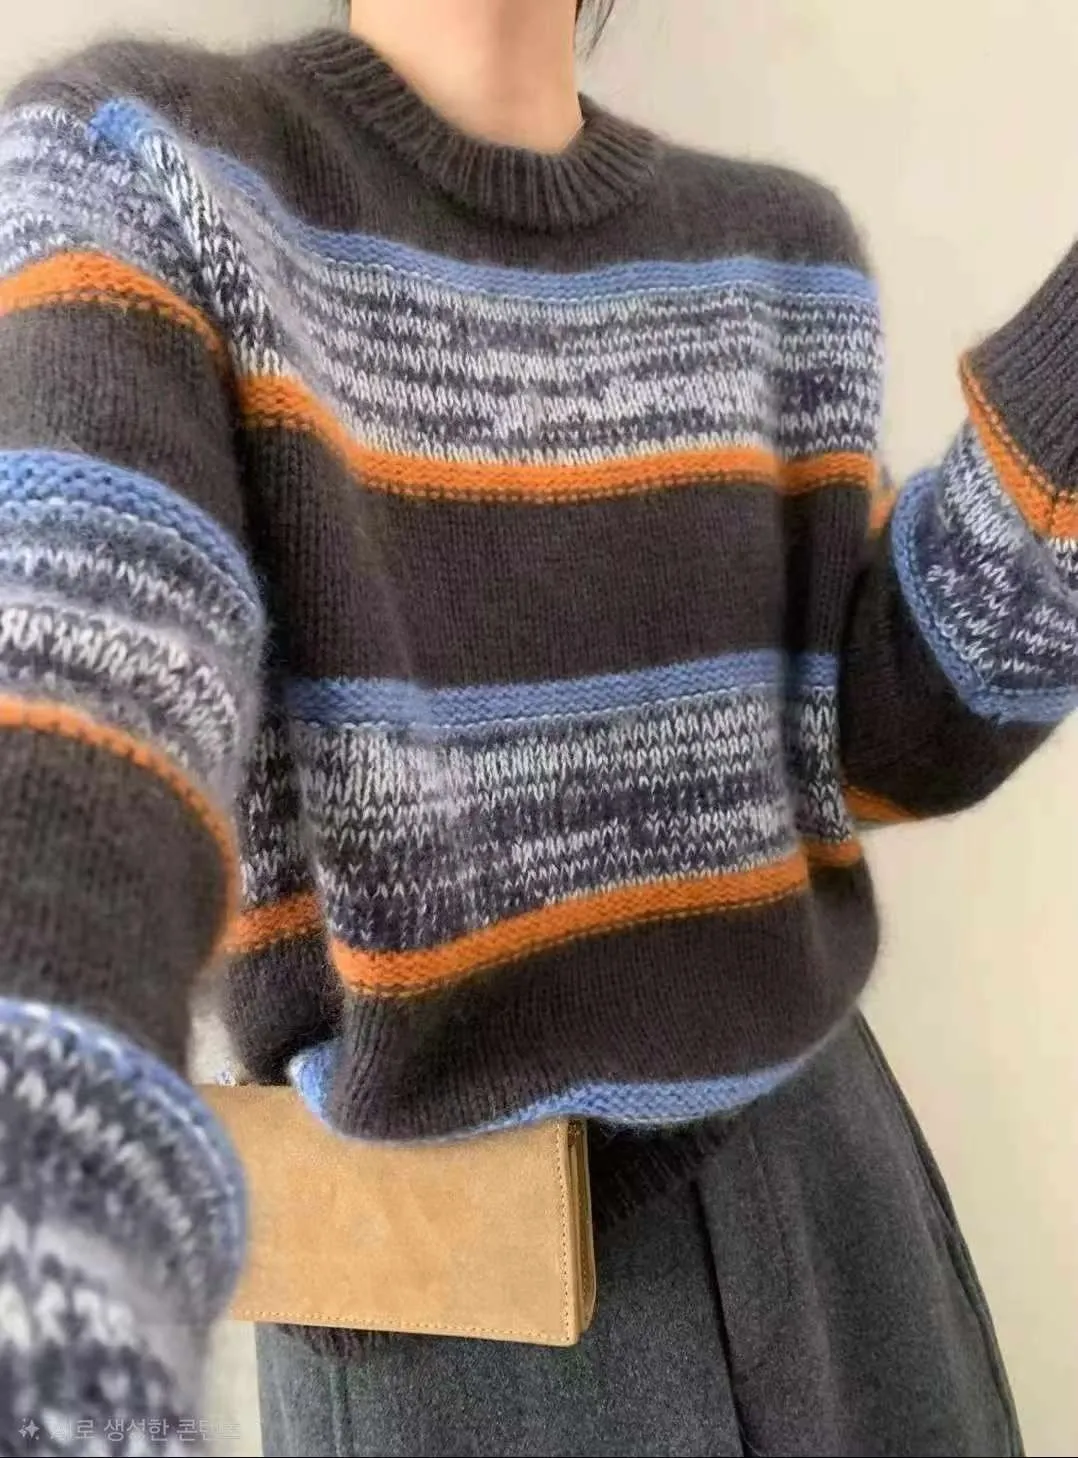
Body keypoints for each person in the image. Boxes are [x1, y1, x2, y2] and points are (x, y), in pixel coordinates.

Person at [0, 0, 1072, 1451]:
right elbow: (80, 715)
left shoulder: (772, 254)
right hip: (464, 1315)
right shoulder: (139, 165)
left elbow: (880, 735)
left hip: (838, 1211)